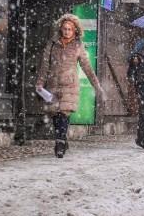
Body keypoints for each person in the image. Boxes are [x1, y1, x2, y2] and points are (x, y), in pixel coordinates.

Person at [36, 14, 104, 158]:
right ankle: (62, 138)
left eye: (69, 29)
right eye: (65, 28)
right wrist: (40, 83)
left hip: (70, 85)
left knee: (64, 113)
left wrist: (96, 85)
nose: (67, 31)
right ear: (61, 29)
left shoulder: (78, 45)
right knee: (55, 114)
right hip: (53, 83)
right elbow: (45, 65)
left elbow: (87, 67)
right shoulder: (52, 44)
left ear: (74, 31)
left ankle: (60, 143)